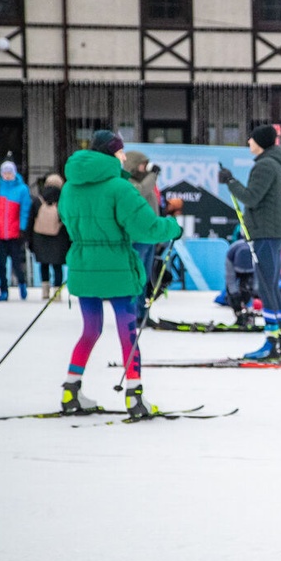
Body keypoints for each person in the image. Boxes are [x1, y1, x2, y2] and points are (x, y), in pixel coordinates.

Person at [58, 130, 183, 417]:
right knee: (128, 333)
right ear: (111, 154)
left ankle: (70, 390)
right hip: (117, 268)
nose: (124, 157)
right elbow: (146, 228)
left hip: (84, 265)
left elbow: (67, 220)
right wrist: (173, 228)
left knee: (90, 330)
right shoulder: (119, 188)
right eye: (121, 151)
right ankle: (134, 398)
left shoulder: (70, 187)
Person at [218, 125, 281, 361]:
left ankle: (272, 342)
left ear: (260, 142)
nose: (248, 141)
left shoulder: (265, 165)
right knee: (270, 285)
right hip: (271, 232)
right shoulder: (274, 163)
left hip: (265, 233)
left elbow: (251, 197)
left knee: (266, 287)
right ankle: (278, 339)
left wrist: (230, 181)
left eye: (251, 138)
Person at [0, 160, 33, 301]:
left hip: (15, 233)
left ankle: (21, 283)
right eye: (5, 173)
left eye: (10, 172)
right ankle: (3, 290)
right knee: (1, 264)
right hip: (0, 233)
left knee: (16, 262)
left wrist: (22, 227)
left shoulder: (22, 189)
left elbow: (25, 209)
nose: (7, 175)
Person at [123, 150, 162, 301]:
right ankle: (132, 313)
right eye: (143, 165)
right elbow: (139, 192)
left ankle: (140, 312)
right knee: (137, 276)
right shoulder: (128, 183)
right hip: (137, 237)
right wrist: (153, 175)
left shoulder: (145, 182)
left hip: (149, 235)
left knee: (145, 276)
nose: (146, 168)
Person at [27, 173, 71, 301]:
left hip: (40, 238)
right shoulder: (64, 201)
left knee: (44, 264)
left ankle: (45, 292)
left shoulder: (37, 200)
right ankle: (57, 294)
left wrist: (29, 240)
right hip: (59, 238)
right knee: (57, 266)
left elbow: (30, 221)